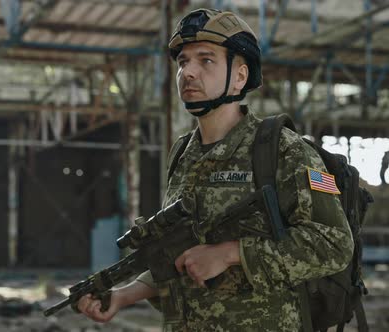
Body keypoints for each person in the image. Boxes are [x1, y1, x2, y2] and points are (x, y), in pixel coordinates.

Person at [77, 8, 354, 331]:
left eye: (206, 60)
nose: (188, 72)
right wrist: (123, 296)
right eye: (183, 62)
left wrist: (231, 253)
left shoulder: (282, 149)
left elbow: (334, 244)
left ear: (239, 76)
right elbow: (179, 258)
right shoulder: (183, 153)